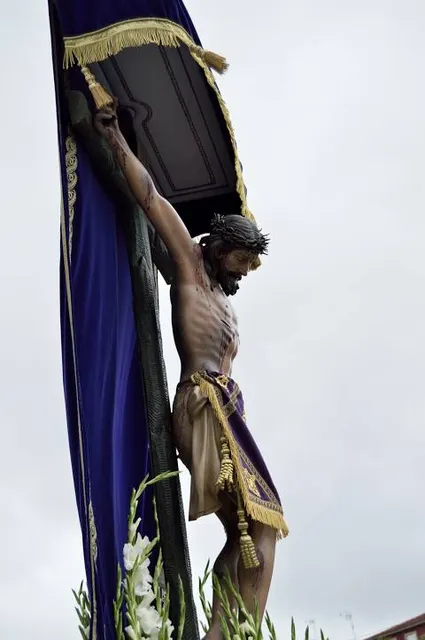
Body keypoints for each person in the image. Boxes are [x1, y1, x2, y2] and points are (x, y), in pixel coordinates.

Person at [95, 103, 288, 639]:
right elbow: (152, 199)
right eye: (241, 260)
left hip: (224, 406)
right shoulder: (190, 268)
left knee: (250, 534)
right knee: (264, 523)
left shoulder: (223, 299)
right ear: (219, 248)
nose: (245, 271)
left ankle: (223, 631)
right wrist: (116, 139)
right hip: (202, 403)